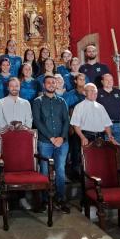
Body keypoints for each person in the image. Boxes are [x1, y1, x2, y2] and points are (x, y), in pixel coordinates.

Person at [32, 75, 70, 213]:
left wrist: (61, 137)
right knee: (44, 171)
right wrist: (51, 138)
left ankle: (61, 199)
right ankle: (44, 200)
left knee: (60, 171)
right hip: (45, 142)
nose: (51, 84)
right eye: (48, 82)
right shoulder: (37, 102)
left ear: (56, 85)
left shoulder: (62, 101)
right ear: (44, 85)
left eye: (53, 82)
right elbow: (37, 121)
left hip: (62, 142)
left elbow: (66, 120)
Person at [97, 73, 120, 144]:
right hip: (104, 126)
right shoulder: (97, 93)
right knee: (107, 148)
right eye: (107, 80)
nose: (109, 82)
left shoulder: (119, 92)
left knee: (118, 147)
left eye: (111, 80)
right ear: (102, 82)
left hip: (118, 125)